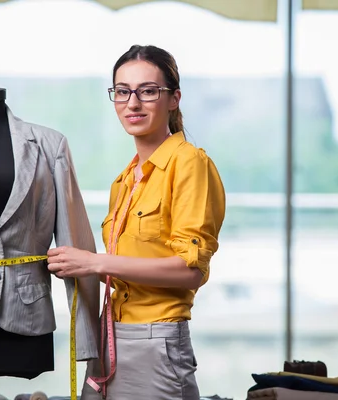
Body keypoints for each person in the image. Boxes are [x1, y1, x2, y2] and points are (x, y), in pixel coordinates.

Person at [47, 44, 226, 400]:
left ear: (174, 98)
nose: (133, 103)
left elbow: (190, 271)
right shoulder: (126, 179)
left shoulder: (189, 164)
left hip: (155, 341)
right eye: (122, 91)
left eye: (148, 91)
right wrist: (74, 263)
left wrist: (95, 262)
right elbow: (129, 266)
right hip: (110, 335)